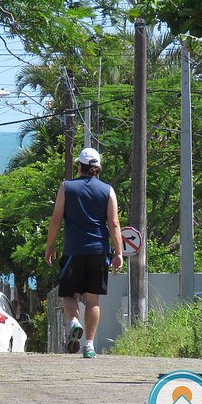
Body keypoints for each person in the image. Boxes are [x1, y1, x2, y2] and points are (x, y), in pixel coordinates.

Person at [44, 147, 124, 358]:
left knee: (68, 294)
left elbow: (56, 218)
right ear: (97, 168)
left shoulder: (66, 187)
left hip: (73, 251)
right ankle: (89, 345)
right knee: (93, 301)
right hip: (99, 251)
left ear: (79, 166)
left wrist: (50, 245)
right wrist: (118, 253)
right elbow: (114, 223)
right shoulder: (108, 191)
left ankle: (73, 322)